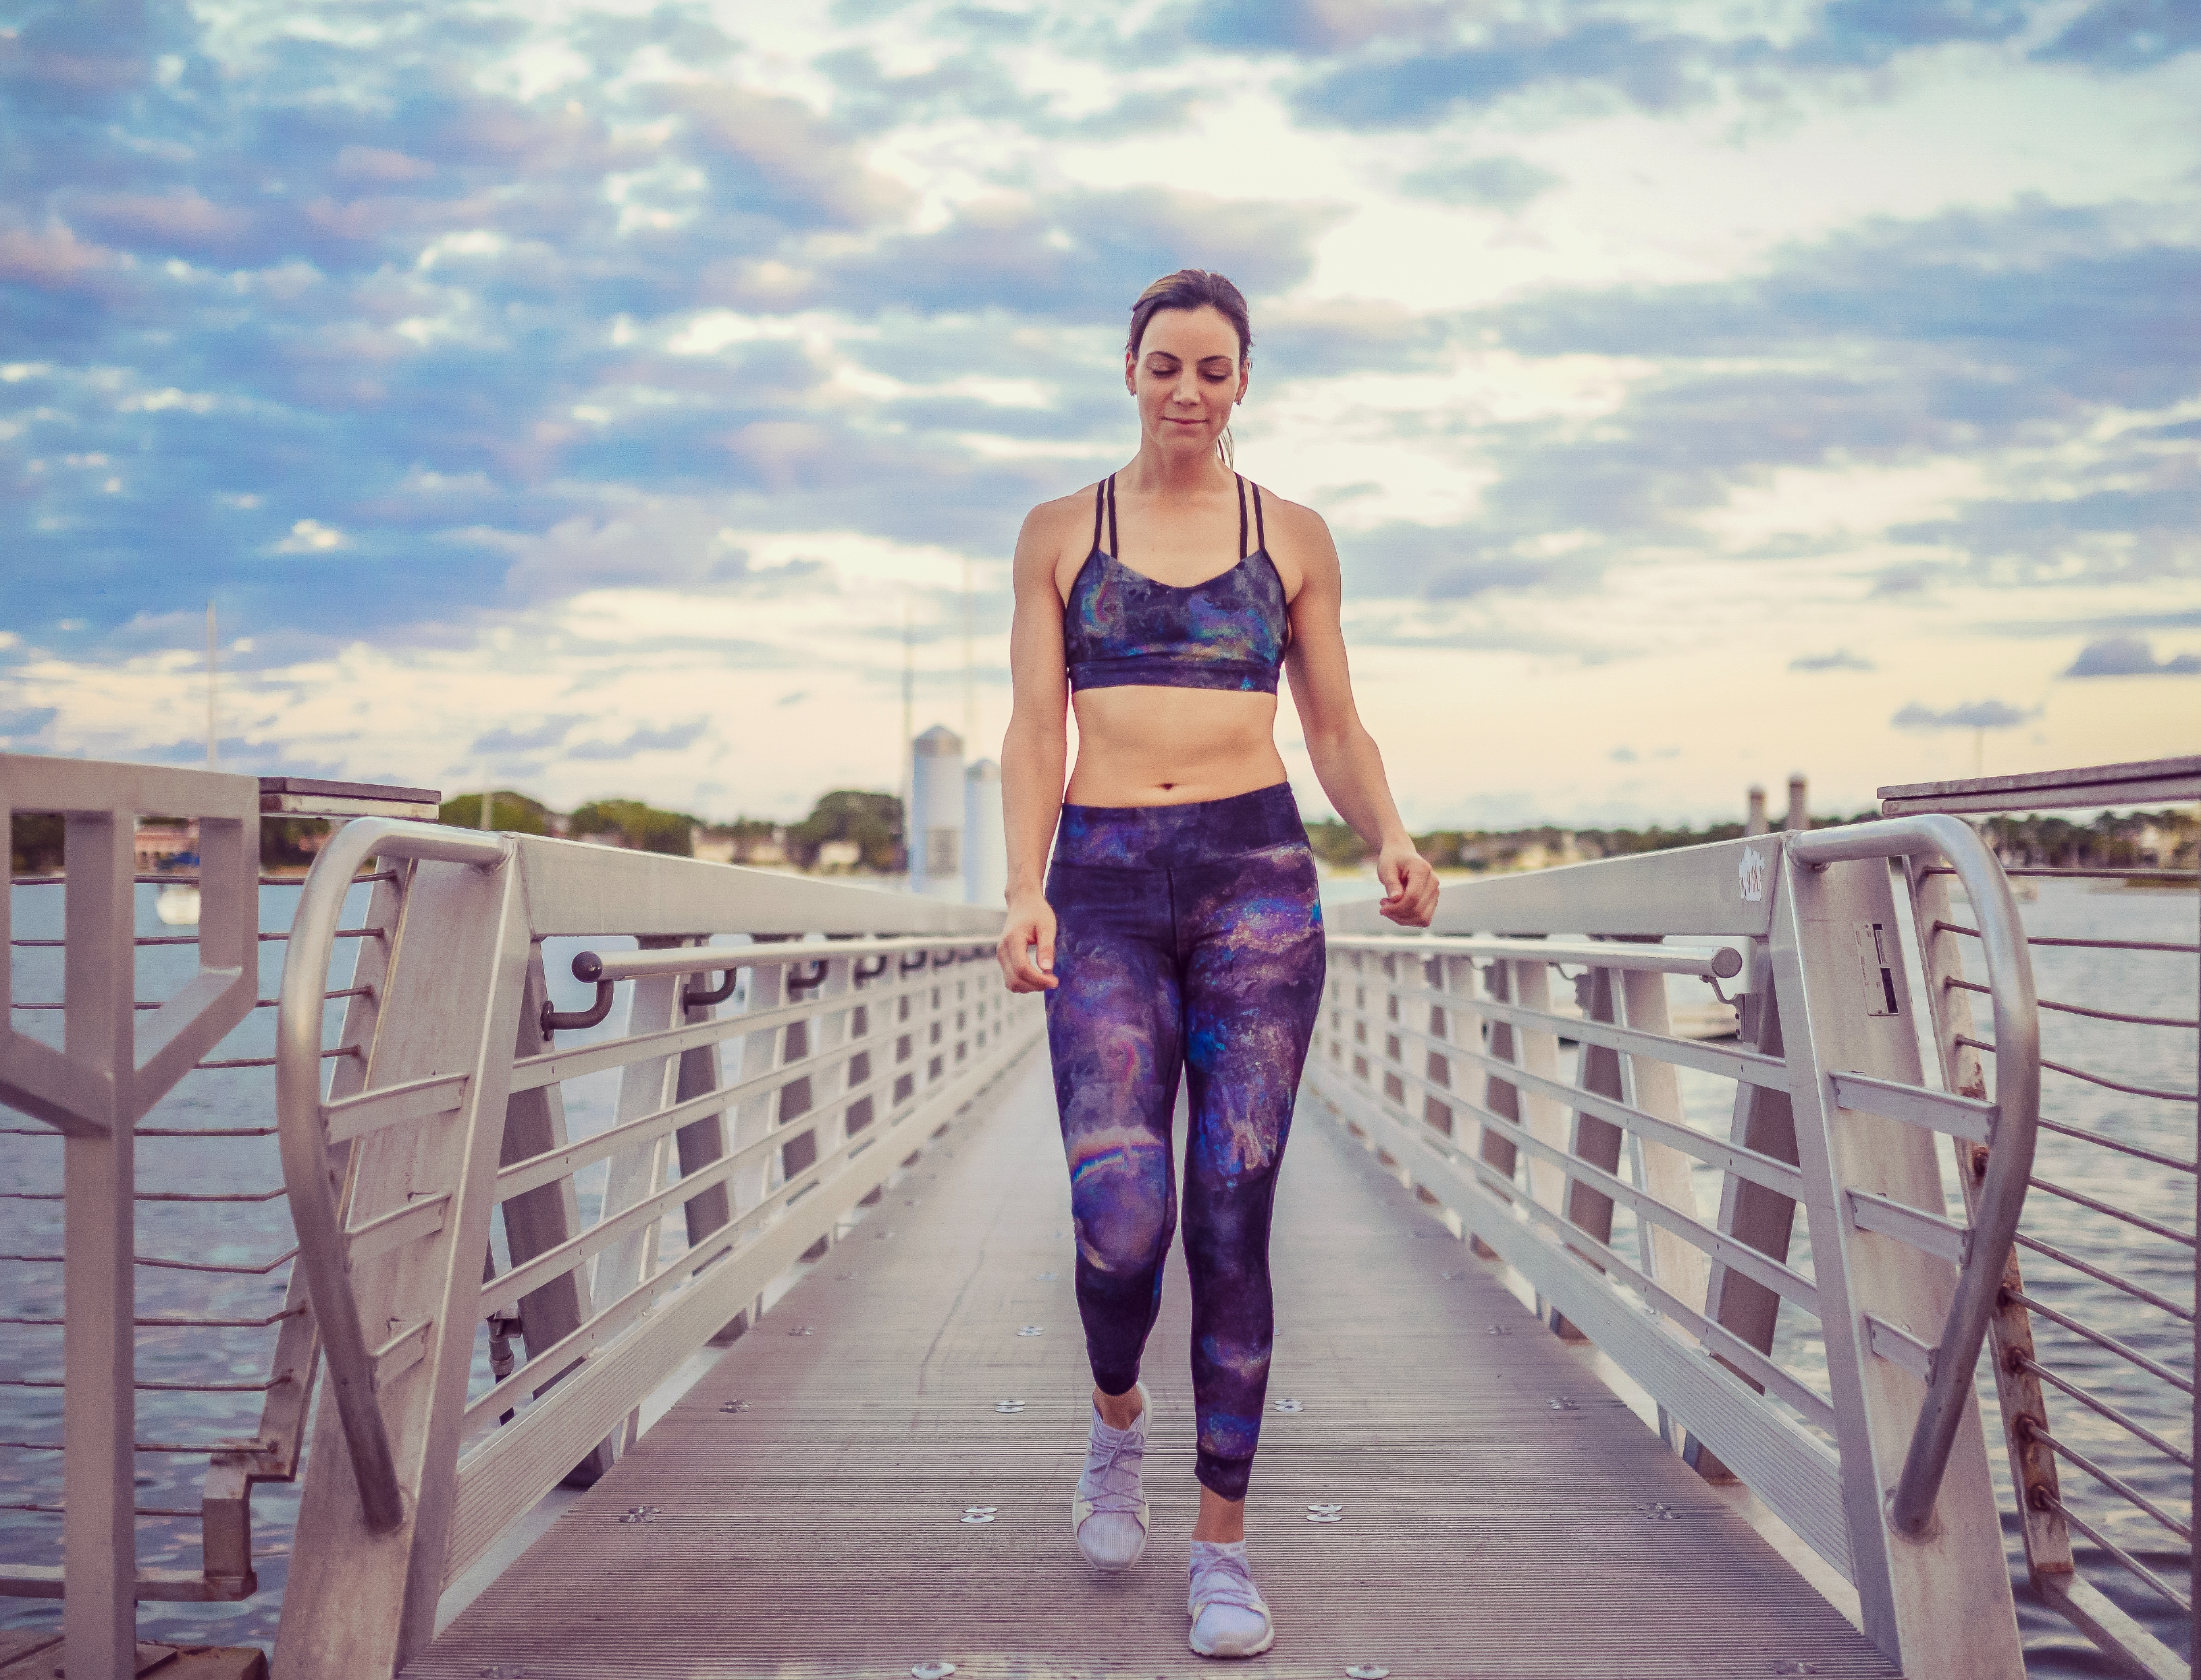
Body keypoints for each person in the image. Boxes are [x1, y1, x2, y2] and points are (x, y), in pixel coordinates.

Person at [994, 267, 1439, 1660]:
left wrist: (1391, 836)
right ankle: (1115, 1421)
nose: (1188, 389)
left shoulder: (1292, 536)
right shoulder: (1061, 532)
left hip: (1255, 886)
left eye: (1214, 369)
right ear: (1126, 369)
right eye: (1165, 364)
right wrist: (1023, 888)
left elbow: (1335, 725)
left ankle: (1223, 1551)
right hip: (1106, 889)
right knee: (1119, 1217)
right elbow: (1029, 730)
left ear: (1244, 384)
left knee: (1233, 1216)